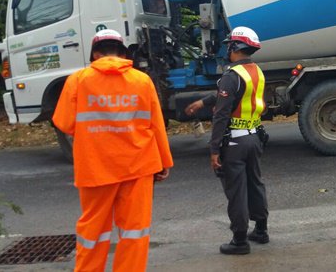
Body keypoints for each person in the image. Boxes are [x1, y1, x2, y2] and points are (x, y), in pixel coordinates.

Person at [52, 29, 173, 271]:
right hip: (138, 166)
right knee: (134, 233)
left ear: (95, 53)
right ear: (121, 52)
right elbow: (156, 124)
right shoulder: (142, 80)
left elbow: (63, 122)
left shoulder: (78, 80)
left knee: (93, 232)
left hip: (95, 169)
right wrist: (164, 162)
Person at [184, 26, 269, 255]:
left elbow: (221, 115)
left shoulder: (232, 76)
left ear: (234, 47)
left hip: (235, 145)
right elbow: (231, 94)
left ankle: (240, 240)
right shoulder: (256, 71)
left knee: (236, 191)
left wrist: (214, 150)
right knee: (255, 183)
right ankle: (261, 230)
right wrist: (203, 102)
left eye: (229, 46)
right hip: (254, 137)